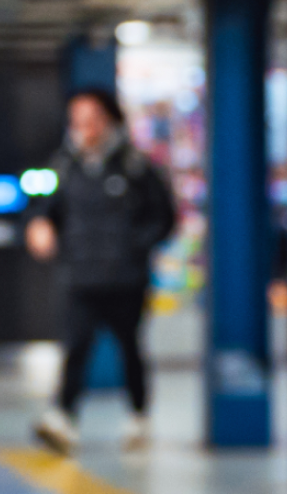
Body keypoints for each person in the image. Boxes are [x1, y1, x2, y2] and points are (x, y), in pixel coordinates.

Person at [26, 88, 176, 454]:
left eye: (91, 120)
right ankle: (63, 417)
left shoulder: (136, 167)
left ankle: (139, 417)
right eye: (77, 121)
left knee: (130, 348)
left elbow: (165, 217)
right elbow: (44, 210)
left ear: (109, 121)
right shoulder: (64, 167)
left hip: (127, 278)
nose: (84, 129)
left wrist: (134, 246)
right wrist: (40, 226)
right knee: (76, 347)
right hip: (81, 276)